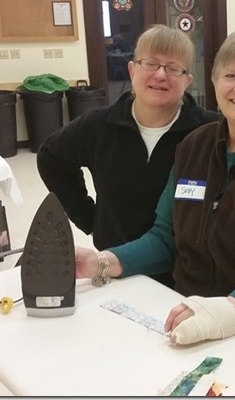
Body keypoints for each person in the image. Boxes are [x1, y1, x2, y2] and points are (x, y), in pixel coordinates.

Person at [73, 28, 235, 370]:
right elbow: (166, 237)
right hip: (187, 323)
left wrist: (232, 309)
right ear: (214, 83)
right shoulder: (194, 146)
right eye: (231, 76)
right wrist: (100, 262)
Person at [37, 24, 218, 286]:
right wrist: (91, 220)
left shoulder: (211, 131)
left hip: (186, 275)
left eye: (173, 68)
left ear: (187, 80)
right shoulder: (98, 125)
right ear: (132, 70)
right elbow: (50, 158)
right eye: (150, 64)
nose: (160, 75)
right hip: (114, 267)